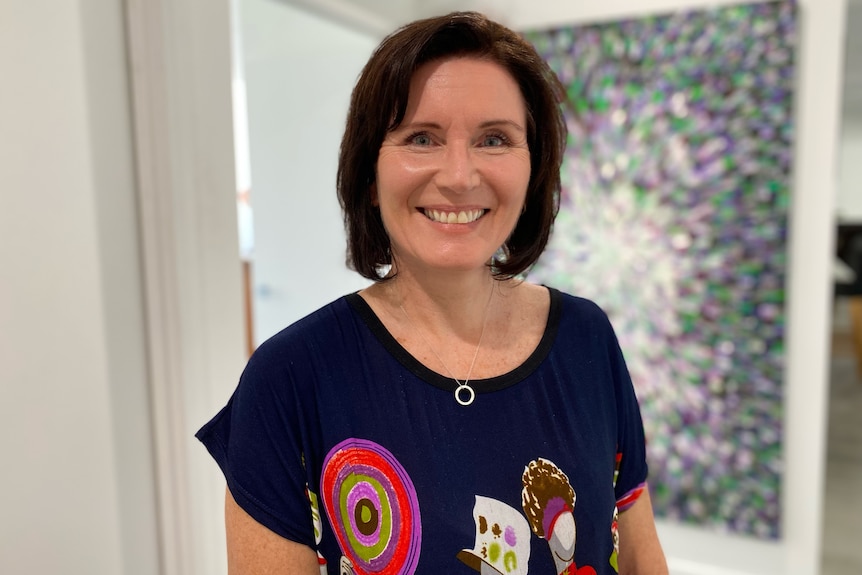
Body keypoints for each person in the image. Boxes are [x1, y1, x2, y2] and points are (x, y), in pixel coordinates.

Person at [197, 11, 668, 575]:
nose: (459, 175)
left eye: (495, 139)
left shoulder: (587, 337)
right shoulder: (290, 380)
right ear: (370, 176)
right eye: (422, 137)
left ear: (532, 167)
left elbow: (639, 552)